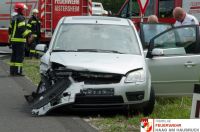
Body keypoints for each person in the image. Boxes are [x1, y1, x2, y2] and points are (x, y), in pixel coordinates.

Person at [9, 3, 33, 76]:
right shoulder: (21, 18)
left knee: (14, 56)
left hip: (13, 41)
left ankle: (12, 71)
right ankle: (18, 72)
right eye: (23, 9)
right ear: (20, 10)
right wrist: (29, 35)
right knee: (19, 57)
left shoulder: (13, 18)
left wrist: (10, 39)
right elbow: (22, 29)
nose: (24, 11)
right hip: (20, 41)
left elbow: (9, 30)